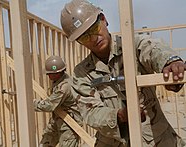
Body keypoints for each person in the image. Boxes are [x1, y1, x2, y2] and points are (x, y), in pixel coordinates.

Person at [60, 0, 186, 146]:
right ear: (79, 42)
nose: (94, 38)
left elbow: (151, 49)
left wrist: (170, 62)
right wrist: (119, 115)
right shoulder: (81, 73)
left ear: (103, 20)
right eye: (85, 37)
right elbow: (89, 113)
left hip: (155, 139)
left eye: (94, 29)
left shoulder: (132, 46)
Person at [33, 55, 83, 147]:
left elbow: (49, 105)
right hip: (58, 118)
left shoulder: (64, 86)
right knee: (46, 143)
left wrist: (31, 104)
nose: (48, 75)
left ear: (58, 73)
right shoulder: (59, 80)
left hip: (69, 123)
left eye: (50, 73)